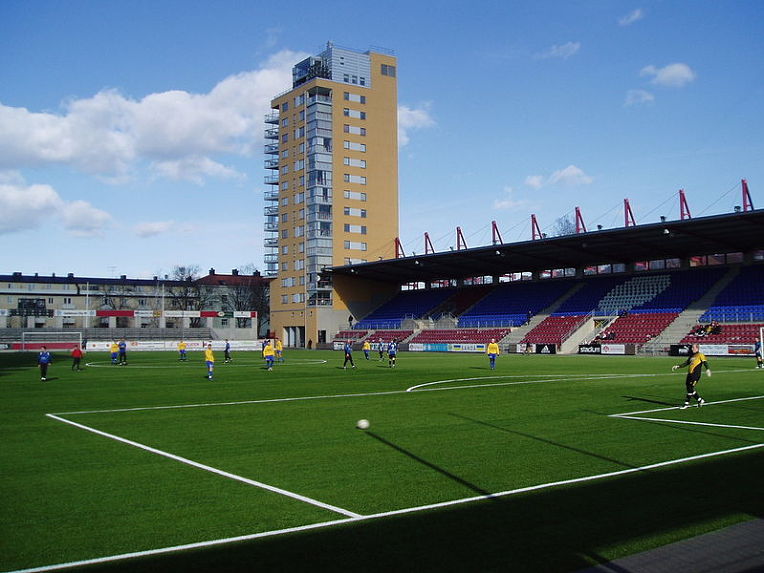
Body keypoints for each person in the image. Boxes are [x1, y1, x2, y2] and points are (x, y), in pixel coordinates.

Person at [672, 343, 711, 409]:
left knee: (690, 388)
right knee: (688, 388)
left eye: (693, 347)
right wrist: (678, 366)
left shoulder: (700, 355)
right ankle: (700, 400)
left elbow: (705, 362)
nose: (692, 349)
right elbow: (686, 363)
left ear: (697, 348)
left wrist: (708, 369)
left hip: (695, 374)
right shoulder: (692, 355)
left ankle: (686, 404)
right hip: (689, 374)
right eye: (692, 347)